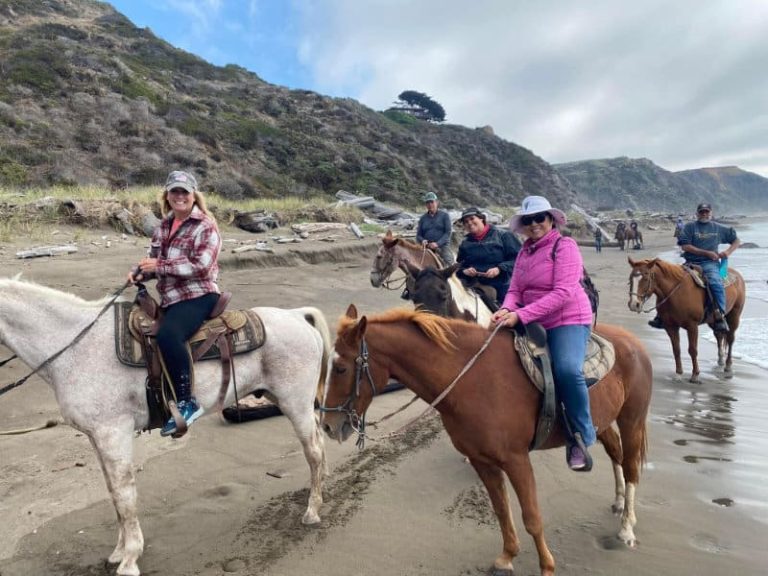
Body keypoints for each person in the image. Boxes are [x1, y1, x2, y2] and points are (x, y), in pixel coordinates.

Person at [491, 196, 595, 472]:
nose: (534, 224)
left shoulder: (565, 246)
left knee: (567, 370)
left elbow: (564, 293)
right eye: (528, 220)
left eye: (540, 218)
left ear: (551, 220)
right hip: (532, 317)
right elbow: (514, 290)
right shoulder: (525, 251)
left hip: (567, 319)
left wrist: (520, 315)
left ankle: (581, 436)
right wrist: (505, 309)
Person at [128, 170, 222, 436]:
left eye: (185, 192)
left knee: (169, 336)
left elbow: (202, 266)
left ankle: (187, 402)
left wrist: (161, 266)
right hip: (171, 298)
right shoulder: (164, 226)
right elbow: (153, 261)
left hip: (199, 295)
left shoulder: (205, 225)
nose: (179, 196)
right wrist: (140, 272)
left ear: (194, 196)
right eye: (175, 192)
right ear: (167, 196)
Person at [675, 202, 740, 333]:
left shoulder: (718, 228)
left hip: (709, 264)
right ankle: (662, 315)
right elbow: (685, 246)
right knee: (669, 278)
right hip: (690, 262)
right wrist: (706, 252)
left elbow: (736, 240)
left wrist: (727, 252)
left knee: (715, 282)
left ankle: (719, 315)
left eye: (706, 212)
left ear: (711, 213)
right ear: (697, 213)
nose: (704, 214)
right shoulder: (689, 227)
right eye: (701, 212)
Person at [456, 206, 521, 306]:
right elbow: (460, 265)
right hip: (474, 284)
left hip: (502, 285)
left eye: (472, 218)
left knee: (509, 315)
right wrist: (465, 271)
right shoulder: (465, 243)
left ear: (481, 218)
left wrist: (499, 269)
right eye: (465, 221)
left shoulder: (503, 235)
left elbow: (519, 259)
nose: (469, 223)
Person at [416, 191, 454, 265]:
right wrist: (422, 240)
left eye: (432, 202)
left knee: (449, 264)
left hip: (442, 246)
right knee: (416, 266)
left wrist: (437, 243)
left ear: (437, 202)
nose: (430, 204)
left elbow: (448, 232)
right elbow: (418, 235)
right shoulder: (423, 218)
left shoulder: (445, 216)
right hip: (427, 247)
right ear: (426, 205)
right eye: (427, 203)